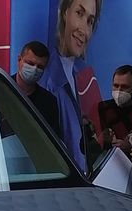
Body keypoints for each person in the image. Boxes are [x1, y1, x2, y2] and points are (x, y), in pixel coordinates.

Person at [40, 0, 102, 172]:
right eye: (79, 13)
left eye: (90, 21)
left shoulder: (85, 76)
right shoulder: (47, 81)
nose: (84, 30)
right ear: (64, 12)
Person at [12, 41, 61, 137]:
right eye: (30, 63)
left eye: (40, 67)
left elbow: (53, 139)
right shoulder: (1, 89)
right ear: (19, 60)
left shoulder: (49, 102)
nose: (34, 69)